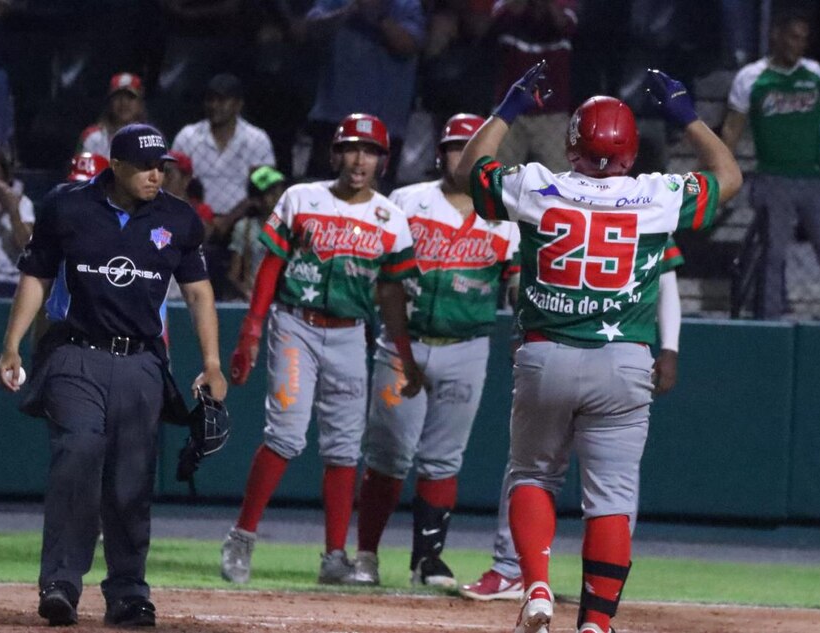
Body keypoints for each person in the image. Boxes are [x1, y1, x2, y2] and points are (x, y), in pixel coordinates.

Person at [454, 63, 741, 633]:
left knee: (532, 476)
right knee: (610, 500)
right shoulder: (654, 195)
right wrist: (685, 115)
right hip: (624, 361)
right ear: (632, 152)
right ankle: (596, 625)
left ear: (572, 144)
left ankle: (535, 587)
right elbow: (728, 174)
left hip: (545, 356)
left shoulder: (538, 184)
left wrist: (510, 106)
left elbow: (470, 170)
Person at [0, 123, 227, 627]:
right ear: (114, 165)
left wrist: (211, 362)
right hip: (75, 353)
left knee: (131, 477)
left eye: (160, 165)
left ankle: (127, 591)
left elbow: (199, 293)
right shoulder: (67, 206)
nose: (154, 174)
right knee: (78, 451)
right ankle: (60, 581)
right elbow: (36, 276)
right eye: (144, 166)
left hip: (142, 360)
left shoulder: (178, 218)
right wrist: (12, 344)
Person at [220, 113, 424, 586]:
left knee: (343, 447)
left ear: (382, 160)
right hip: (297, 324)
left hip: (352, 333)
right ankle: (242, 537)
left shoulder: (391, 217)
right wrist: (251, 331)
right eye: (351, 148)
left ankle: (335, 556)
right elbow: (270, 264)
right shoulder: (301, 197)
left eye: (370, 151)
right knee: (287, 434)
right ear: (335, 154)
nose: (359, 159)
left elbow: (393, 294)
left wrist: (405, 355)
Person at [348, 113, 521, 588]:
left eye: (470, 147)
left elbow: (516, 283)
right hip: (403, 346)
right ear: (439, 152)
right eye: (453, 147)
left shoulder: (506, 214)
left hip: (467, 347)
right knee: (387, 456)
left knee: (444, 459)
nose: (461, 157)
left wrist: (526, 330)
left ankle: (428, 559)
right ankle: (366, 554)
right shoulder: (408, 201)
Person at [460, 240, 685, 602]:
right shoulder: (646, 200)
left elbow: (666, 276)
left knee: (536, 473)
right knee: (610, 488)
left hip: (577, 351)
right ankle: (582, 595)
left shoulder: (554, 198)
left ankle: (530, 579)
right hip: (600, 353)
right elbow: (526, 274)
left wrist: (671, 347)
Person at [719, 10, 820, 322]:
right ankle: (769, 321)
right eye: (794, 37)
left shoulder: (815, 75)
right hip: (773, 177)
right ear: (777, 36)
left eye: (804, 39)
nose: (799, 44)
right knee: (773, 255)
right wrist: (722, 170)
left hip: (814, 177)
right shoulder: (752, 78)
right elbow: (733, 126)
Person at [300, 0, 425, 191]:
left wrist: (378, 16)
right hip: (333, 118)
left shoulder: (406, 4)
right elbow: (310, 29)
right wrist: (349, 11)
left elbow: (408, 45)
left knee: (377, 200)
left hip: (385, 126)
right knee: (320, 194)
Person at [172, 73, 276, 298]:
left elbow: (264, 189)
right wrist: (204, 218)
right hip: (197, 217)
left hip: (242, 220)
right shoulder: (188, 136)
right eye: (211, 99)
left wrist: (228, 220)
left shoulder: (256, 139)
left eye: (223, 99)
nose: (215, 105)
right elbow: (174, 182)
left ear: (238, 104)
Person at [490, 0, 577, 171]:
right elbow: (500, 15)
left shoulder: (565, 13)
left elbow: (565, 23)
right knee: (500, 178)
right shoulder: (506, 11)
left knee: (561, 180)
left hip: (552, 113)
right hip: (509, 111)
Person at [227, 165, 286, 300]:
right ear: (256, 201)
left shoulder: (290, 227)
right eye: (271, 194)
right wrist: (247, 292)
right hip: (253, 295)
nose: (278, 198)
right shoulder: (244, 227)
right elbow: (233, 274)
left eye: (280, 192)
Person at [0, 144, 33, 297]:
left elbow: (28, 247)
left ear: (5, 178)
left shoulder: (22, 204)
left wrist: (13, 212)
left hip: (11, 284)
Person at [76, 72, 148, 158]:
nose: (124, 103)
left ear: (140, 104)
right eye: (118, 97)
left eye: (130, 97)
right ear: (109, 102)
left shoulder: (152, 141)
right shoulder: (92, 137)